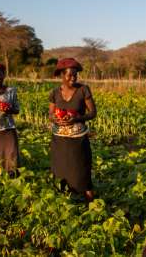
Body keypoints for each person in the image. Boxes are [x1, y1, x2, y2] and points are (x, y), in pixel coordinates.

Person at [49, 58, 96, 202]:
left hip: (78, 138)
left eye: (75, 75)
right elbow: (50, 114)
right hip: (59, 138)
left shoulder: (83, 90)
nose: (73, 78)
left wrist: (76, 118)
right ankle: (65, 200)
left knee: (81, 169)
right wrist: (55, 119)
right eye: (69, 75)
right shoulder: (55, 93)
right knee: (61, 168)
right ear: (61, 76)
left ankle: (90, 203)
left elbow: (93, 113)